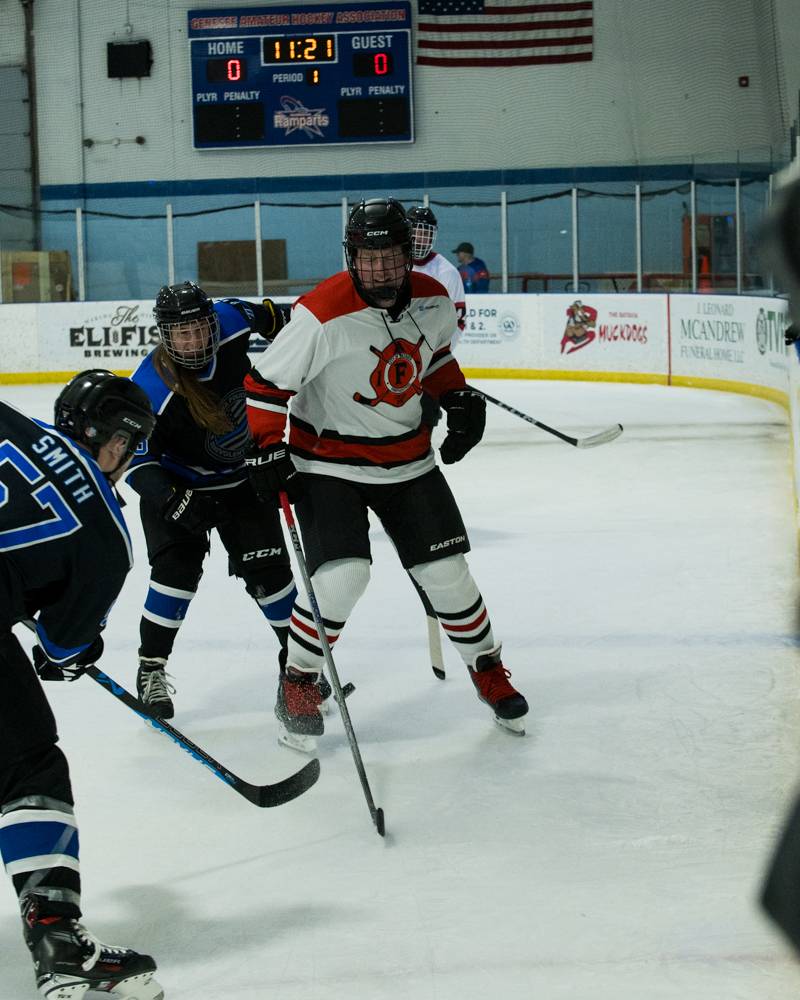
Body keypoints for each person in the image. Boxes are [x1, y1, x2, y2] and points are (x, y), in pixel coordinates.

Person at [243, 197, 528, 752]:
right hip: (327, 463)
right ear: (351, 256)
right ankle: (298, 680)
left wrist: (457, 396)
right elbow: (264, 384)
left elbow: (436, 358)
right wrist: (264, 448)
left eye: (390, 257)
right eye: (367, 258)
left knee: (447, 573)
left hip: (407, 459)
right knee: (343, 577)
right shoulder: (321, 313)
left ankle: (488, 669)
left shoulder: (434, 300)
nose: (379, 270)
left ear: (407, 256)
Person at [0, 370, 163, 999]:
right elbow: (63, 648)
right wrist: (72, 646)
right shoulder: (107, 537)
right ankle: (57, 939)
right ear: (118, 443)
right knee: (28, 765)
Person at [125, 281, 312, 722]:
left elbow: (292, 321)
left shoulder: (231, 319)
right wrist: (171, 499)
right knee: (175, 576)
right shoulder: (150, 387)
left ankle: (299, 672)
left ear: (212, 322)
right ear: (165, 336)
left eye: (200, 329)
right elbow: (136, 462)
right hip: (179, 486)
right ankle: (151, 668)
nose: (195, 341)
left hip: (242, 478)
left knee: (271, 574)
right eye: (182, 334)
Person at [407, 206, 466, 333]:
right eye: (415, 231)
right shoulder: (391, 266)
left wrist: (440, 352)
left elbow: (458, 321)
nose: (419, 238)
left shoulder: (448, 272)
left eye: (425, 233)